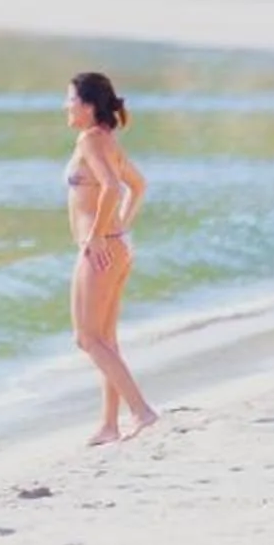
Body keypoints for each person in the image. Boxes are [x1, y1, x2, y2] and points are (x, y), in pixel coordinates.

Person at [65, 73, 161, 446]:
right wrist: (118, 228)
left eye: (70, 99)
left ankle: (141, 412)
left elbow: (112, 187)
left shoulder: (90, 140)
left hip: (101, 249)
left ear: (88, 106)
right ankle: (109, 424)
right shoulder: (107, 140)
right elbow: (138, 185)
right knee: (106, 339)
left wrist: (97, 234)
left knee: (86, 338)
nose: (66, 106)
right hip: (116, 245)